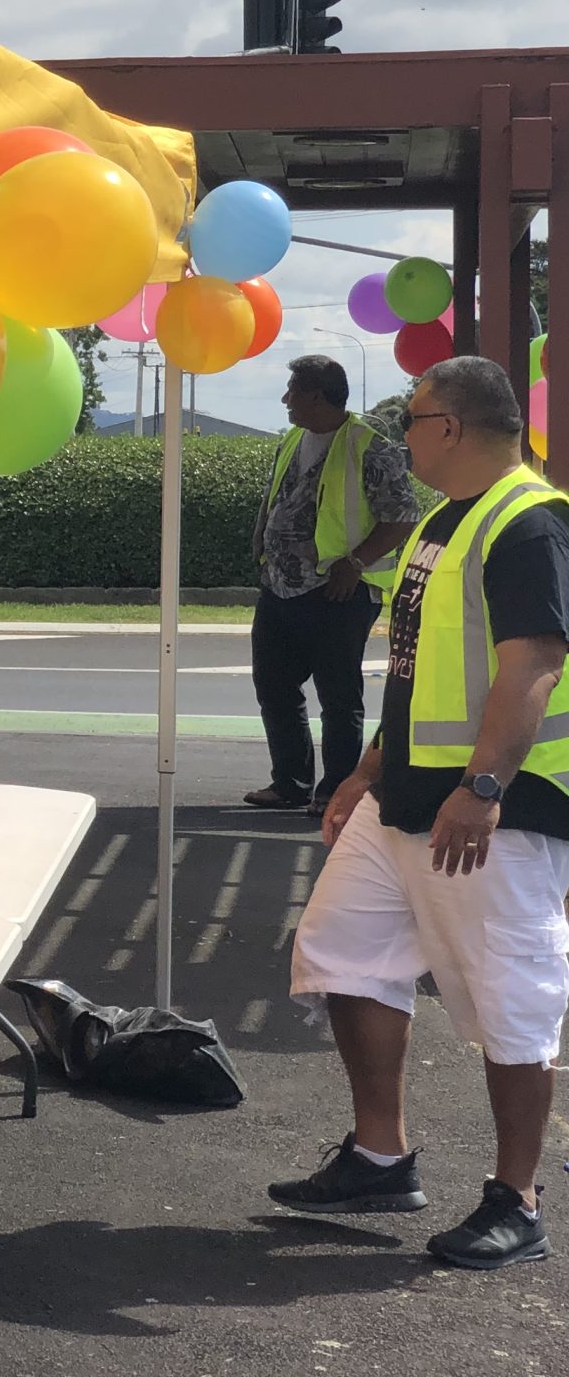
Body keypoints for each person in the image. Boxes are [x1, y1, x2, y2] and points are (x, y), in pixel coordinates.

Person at [272, 357, 569, 1270]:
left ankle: (517, 1202)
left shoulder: (528, 521)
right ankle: (379, 1157)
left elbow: (534, 663)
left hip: (491, 810)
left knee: (509, 999)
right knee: (342, 952)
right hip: (406, 793)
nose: (402, 437)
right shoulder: (446, 521)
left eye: (411, 420)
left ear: (450, 427)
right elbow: (414, 667)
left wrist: (483, 789)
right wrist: (366, 771)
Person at [246, 356, 418, 815]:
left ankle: (334, 791)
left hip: (338, 593)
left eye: (293, 390)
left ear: (317, 396)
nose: (285, 399)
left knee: (338, 696)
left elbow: (402, 514)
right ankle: (291, 783)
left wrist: (356, 563)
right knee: (274, 685)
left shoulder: (369, 444)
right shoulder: (293, 438)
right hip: (280, 587)